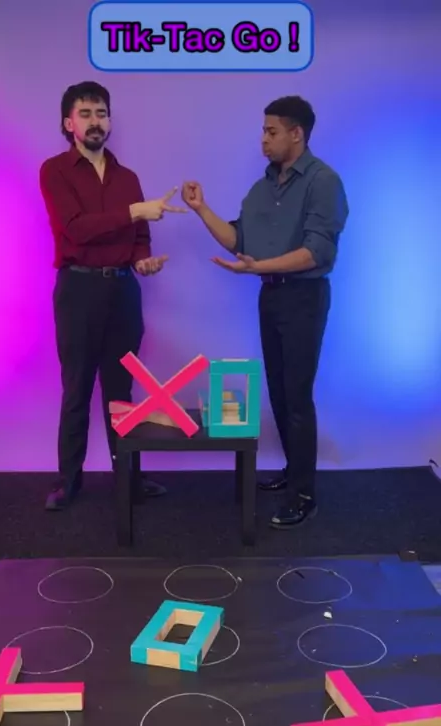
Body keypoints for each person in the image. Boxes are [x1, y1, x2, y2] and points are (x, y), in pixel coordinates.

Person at [182, 96, 349, 528]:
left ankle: (304, 494)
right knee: (278, 392)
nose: (263, 139)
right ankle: (294, 472)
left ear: (297, 134)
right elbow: (238, 239)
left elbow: (316, 252)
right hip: (271, 296)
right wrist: (201, 209)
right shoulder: (263, 187)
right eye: (263, 131)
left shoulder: (323, 181)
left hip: (304, 297)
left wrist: (260, 267)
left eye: (271, 131)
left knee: (297, 396)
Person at [40, 81, 186, 510]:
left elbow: (139, 237)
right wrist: (136, 210)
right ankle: (69, 482)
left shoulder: (128, 178)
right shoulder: (55, 170)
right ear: (69, 124)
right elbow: (77, 229)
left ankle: (130, 479)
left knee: (121, 392)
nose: (95, 121)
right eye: (85, 114)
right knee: (77, 389)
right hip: (79, 289)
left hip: (123, 290)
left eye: (101, 113)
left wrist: (143, 261)